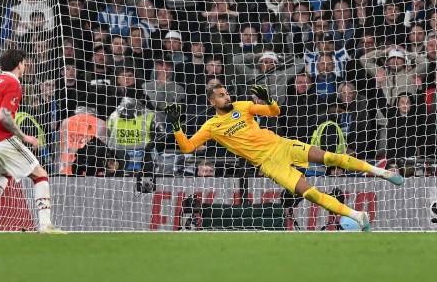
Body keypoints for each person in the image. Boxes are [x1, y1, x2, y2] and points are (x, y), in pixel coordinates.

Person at [165, 83, 404, 231]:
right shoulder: (211, 126)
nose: (226, 97)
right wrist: (177, 126)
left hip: (282, 145)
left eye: (226, 93)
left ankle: (383, 172)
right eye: (221, 95)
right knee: (310, 193)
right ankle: (358, 216)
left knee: (332, 157)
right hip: (269, 164)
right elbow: (187, 148)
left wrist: (268, 100)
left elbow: (274, 112)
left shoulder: (243, 106)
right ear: (212, 101)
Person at [0, 49, 64, 233]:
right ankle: (45, 225)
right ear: (19, 65)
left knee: (3, 172)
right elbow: (4, 116)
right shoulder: (13, 83)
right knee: (40, 174)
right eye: (24, 63)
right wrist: (24, 136)